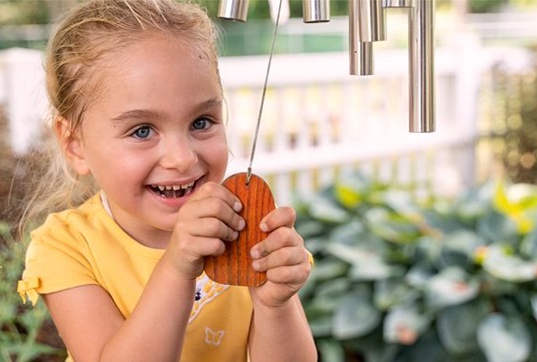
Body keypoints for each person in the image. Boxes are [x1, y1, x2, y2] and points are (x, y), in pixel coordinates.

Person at [17, 0, 317, 361]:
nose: (183, 158)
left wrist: (273, 305)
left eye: (202, 122)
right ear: (75, 144)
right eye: (142, 130)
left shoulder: (241, 229)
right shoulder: (66, 246)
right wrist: (177, 265)